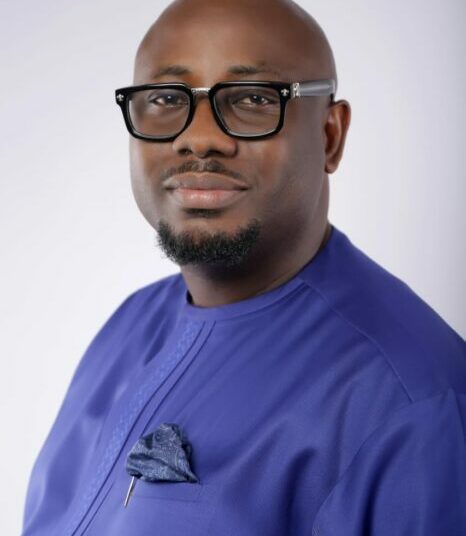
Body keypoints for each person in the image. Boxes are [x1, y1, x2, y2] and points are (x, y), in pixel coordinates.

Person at [21, 0, 466, 534]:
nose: (199, 137)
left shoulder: (412, 403)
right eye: (166, 98)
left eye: (254, 98)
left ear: (330, 136)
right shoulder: (128, 326)